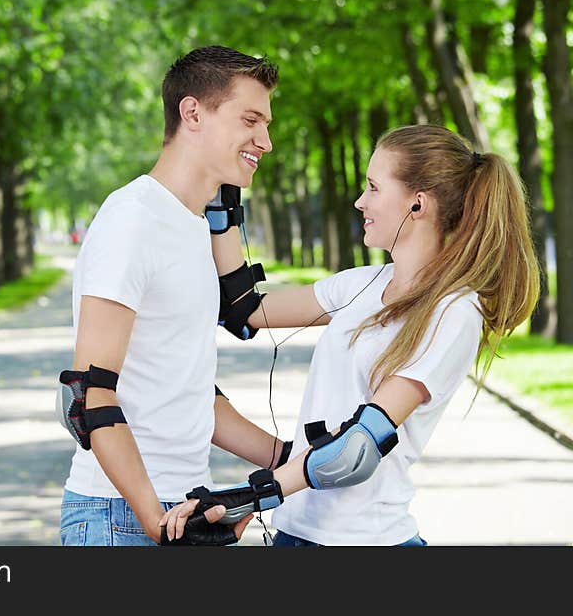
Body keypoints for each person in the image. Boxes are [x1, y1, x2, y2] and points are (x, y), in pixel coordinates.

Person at [160, 123, 540, 546]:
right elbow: (244, 309)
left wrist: (252, 496)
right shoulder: (361, 283)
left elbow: (357, 449)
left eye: (374, 188)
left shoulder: (453, 311)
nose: (360, 202)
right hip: (297, 530)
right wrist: (222, 200)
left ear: (418, 204)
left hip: (367, 539)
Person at [56, 45, 287, 546]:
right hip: (119, 516)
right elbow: (89, 395)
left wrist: (287, 462)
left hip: (186, 507)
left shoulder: (193, 226)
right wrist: (153, 521)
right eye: (251, 120)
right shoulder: (133, 219)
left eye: (267, 124)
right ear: (192, 113)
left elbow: (188, 393)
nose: (265, 141)